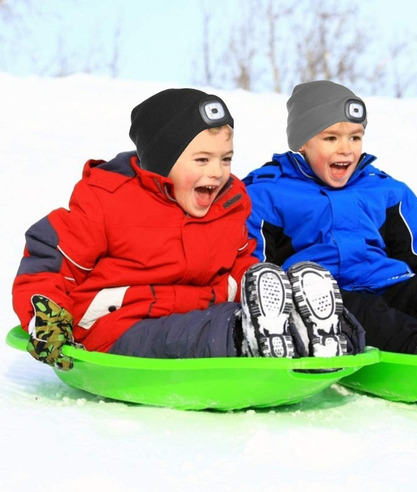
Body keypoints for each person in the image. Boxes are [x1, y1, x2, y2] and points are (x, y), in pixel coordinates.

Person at [12, 87, 364, 371]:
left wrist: (266, 293)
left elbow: (241, 263)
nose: (217, 172)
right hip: (119, 327)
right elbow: (50, 261)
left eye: (225, 159)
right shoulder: (107, 199)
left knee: (233, 316)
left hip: (203, 311)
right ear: (163, 161)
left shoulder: (229, 202)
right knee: (187, 336)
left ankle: (320, 335)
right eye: (202, 160)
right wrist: (47, 317)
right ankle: (249, 339)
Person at [243, 80, 417, 365]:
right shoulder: (266, 193)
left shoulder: (384, 190)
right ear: (303, 142)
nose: (346, 150)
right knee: (366, 313)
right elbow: (256, 268)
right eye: (331, 138)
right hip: (325, 301)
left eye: (355, 137)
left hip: (391, 284)